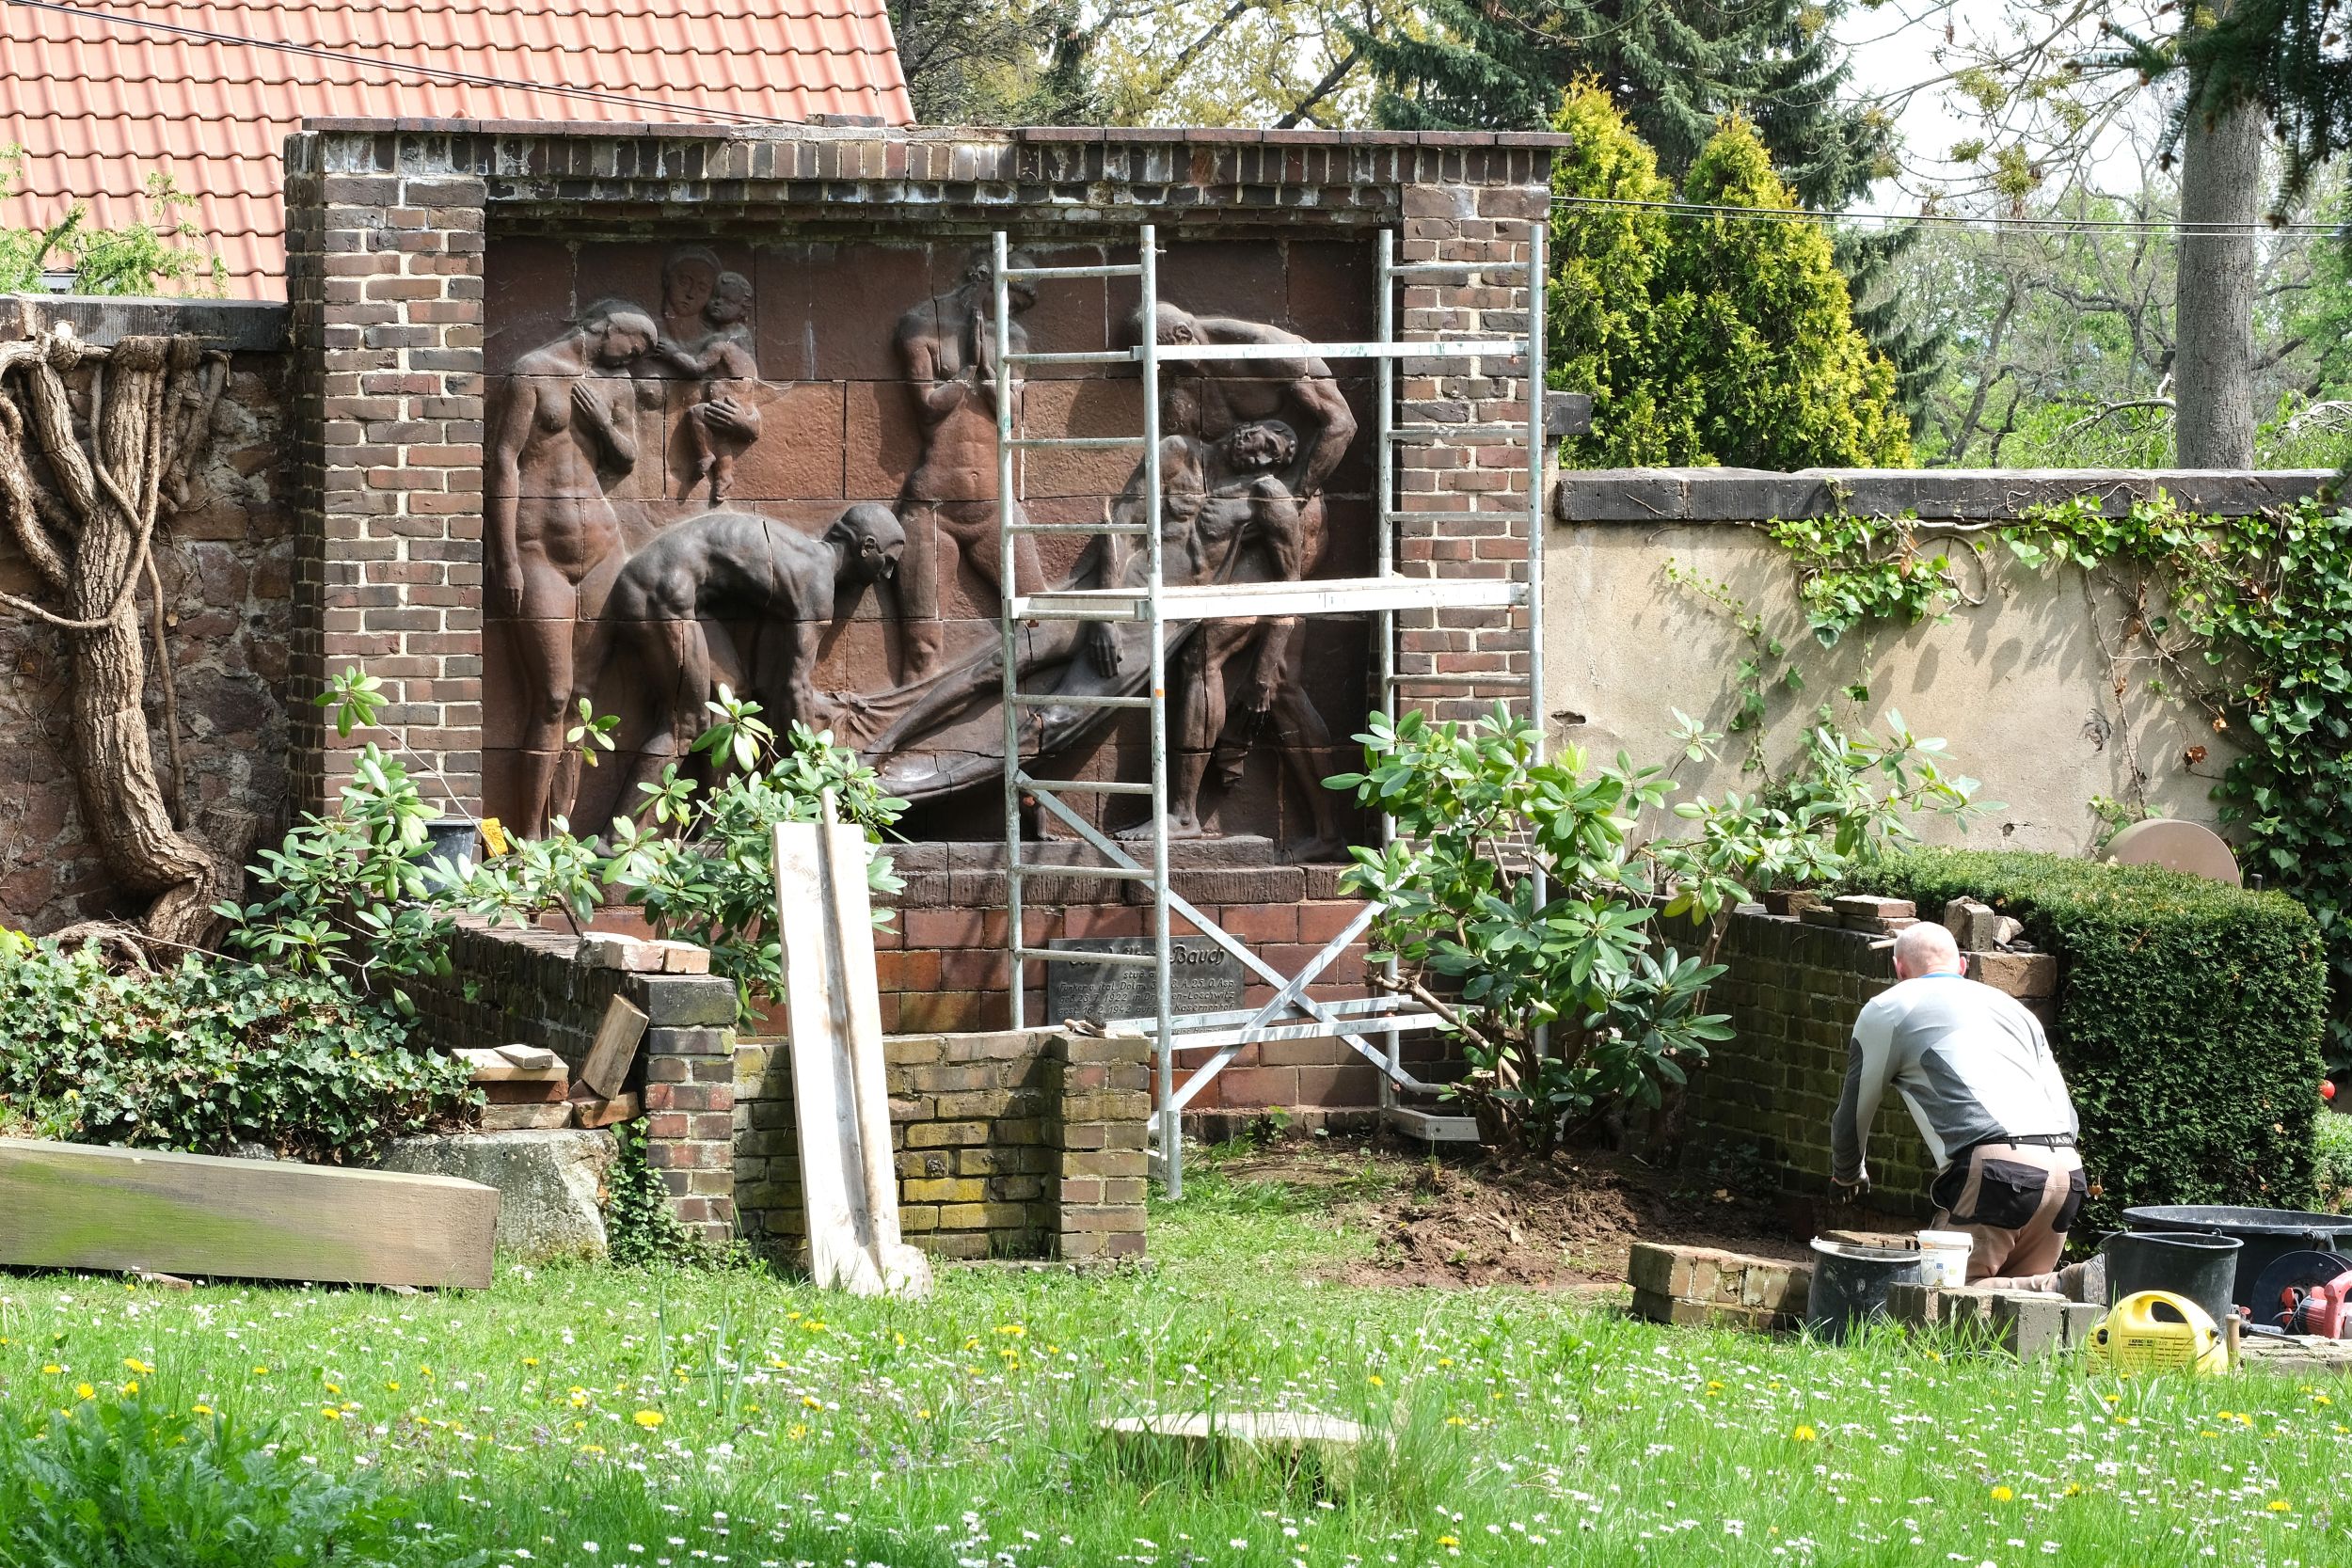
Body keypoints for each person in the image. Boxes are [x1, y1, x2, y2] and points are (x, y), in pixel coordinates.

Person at [574, 504, 904, 804]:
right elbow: (795, 686)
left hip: (677, 588)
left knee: (732, 701)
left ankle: (714, 818)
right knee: (685, 724)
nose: (886, 574)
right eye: (888, 561)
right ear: (867, 547)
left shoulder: (806, 558)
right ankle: (614, 839)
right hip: (658, 588)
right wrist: (812, 770)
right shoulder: (818, 585)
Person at [1831, 921, 2091, 1293]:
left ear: (1899, 969)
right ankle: (2054, 1287)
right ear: (1963, 967)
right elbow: (2069, 1117)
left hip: (2000, 1170)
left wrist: (1847, 1173)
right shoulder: (2015, 1010)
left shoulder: (1889, 1008)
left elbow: (1852, 1113)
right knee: (2017, 1318)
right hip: (2068, 1169)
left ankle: (2058, 1286)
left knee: (1943, 1294)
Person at [487, 297, 660, 834]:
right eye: (634, 345)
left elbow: (627, 457)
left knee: (583, 700)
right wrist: (506, 559)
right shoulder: (533, 372)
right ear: (604, 329)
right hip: (539, 552)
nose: (635, 358)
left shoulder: (615, 386)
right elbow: (504, 463)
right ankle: (529, 838)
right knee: (552, 697)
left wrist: (603, 425)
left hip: (602, 550)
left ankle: (561, 834)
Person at [891, 247, 1043, 681]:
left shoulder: (1013, 337)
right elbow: (925, 408)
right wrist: (966, 373)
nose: (1015, 309)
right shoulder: (920, 326)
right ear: (983, 277)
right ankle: (908, 744)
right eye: (1014, 295)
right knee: (922, 648)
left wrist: (989, 374)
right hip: (933, 509)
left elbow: (1012, 416)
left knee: (1038, 617)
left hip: (995, 505)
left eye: (1024, 304)